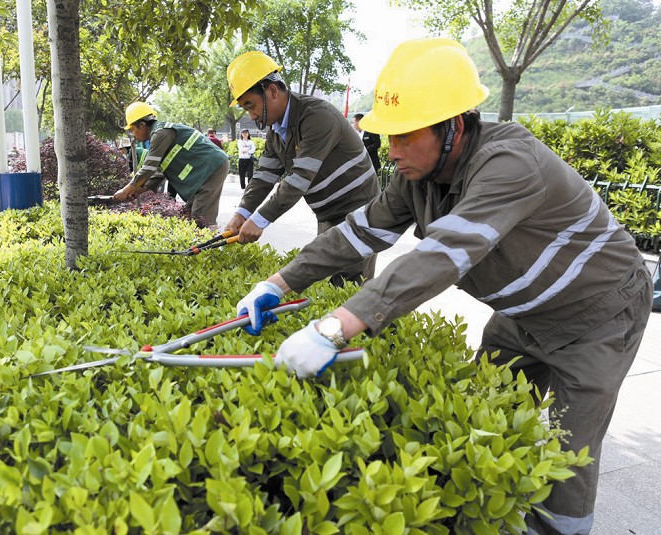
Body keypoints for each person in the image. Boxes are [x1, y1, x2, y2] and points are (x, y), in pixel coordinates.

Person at [234, 38, 652, 535]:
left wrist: (334, 326)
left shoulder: (510, 162)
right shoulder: (416, 175)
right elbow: (358, 231)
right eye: (389, 138)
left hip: (599, 314)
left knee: (568, 451)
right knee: (481, 419)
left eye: (405, 136)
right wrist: (277, 282)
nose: (393, 152)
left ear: (452, 126)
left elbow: (446, 253)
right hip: (522, 317)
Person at [225, 50, 379, 287]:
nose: (251, 114)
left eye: (251, 105)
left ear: (272, 91)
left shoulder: (317, 116)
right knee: (330, 284)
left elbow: (299, 179)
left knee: (350, 288)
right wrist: (241, 214)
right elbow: (264, 176)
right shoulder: (275, 131)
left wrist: (260, 220)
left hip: (357, 210)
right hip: (328, 213)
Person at [113, 102, 229, 227]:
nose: (133, 134)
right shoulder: (159, 135)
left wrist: (126, 190)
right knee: (189, 215)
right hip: (205, 170)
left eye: (132, 130)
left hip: (211, 167)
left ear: (142, 125)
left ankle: (211, 243)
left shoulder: (160, 133)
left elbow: (148, 169)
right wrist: (137, 190)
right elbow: (157, 174)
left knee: (201, 219)